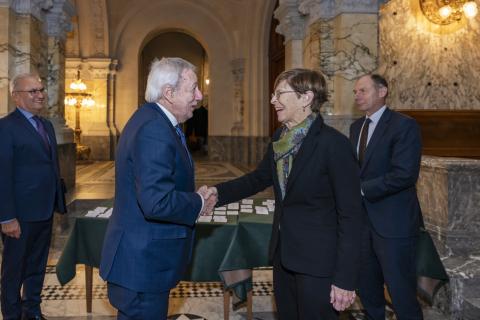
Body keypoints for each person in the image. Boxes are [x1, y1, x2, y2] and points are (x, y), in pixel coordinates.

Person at [209, 68, 364, 319]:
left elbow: (351, 215)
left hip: (318, 262)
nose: (272, 100)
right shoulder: (281, 138)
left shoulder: (333, 145)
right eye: (273, 94)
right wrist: (216, 193)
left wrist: (345, 278)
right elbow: (258, 178)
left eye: (280, 93)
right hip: (285, 256)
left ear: (306, 98)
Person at [99, 57, 216, 319]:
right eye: (193, 88)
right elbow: (156, 202)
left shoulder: (152, 119)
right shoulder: (154, 128)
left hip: (142, 260)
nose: (199, 95)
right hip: (143, 264)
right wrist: (197, 201)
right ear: (169, 93)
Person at [350, 74, 423, 319]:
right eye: (355, 92)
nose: (357, 96)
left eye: (362, 90)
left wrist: (361, 189)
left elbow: (404, 175)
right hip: (362, 225)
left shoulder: (404, 125)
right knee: (368, 290)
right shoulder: (356, 127)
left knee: (402, 294)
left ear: (382, 92)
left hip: (394, 225)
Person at [0, 73, 67, 320]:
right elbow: (2, 175)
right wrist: (7, 217)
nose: (40, 95)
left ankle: (32, 311)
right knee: (13, 271)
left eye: (41, 90)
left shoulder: (46, 125)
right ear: (17, 97)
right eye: (33, 91)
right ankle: (11, 314)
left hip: (44, 210)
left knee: (37, 267)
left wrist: (57, 203)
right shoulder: (6, 127)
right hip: (19, 215)